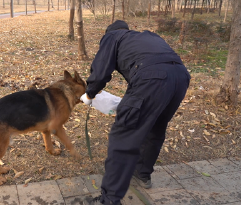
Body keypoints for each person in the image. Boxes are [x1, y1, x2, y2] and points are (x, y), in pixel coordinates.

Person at [80, 20, 190, 205]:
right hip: (180, 77)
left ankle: (109, 200)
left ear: (109, 33)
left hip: (152, 78)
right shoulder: (147, 36)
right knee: (155, 129)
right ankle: (142, 174)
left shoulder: (112, 36)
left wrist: (89, 93)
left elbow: (101, 70)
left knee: (123, 137)